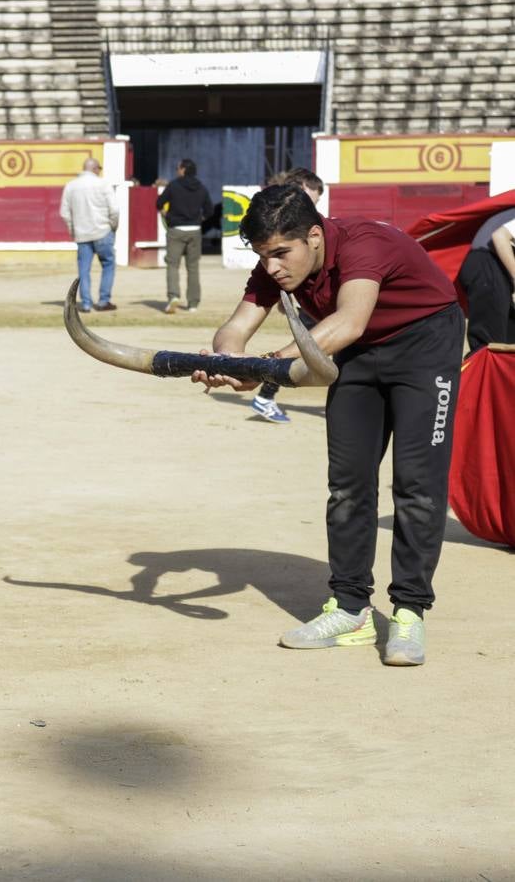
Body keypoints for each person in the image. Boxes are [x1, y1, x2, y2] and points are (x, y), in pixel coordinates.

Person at [193, 185, 462, 666]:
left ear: (314, 236)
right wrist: (226, 360)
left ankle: (409, 612)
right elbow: (236, 327)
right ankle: (351, 610)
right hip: (356, 356)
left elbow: (351, 321)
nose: (273, 267)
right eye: (262, 255)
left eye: (281, 253)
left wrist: (264, 366)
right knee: (348, 485)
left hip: (424, 346)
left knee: (417, 486)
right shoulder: (275, 265)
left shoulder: (363, 243)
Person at [250, 167, 326, 423]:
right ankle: (265, 395)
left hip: (323, 301)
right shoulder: (284, 229)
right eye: (310, 199)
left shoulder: (311, 227)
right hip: (313, 303)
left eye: (315, 203)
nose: (312, 208)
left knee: (321, 348)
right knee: (310, 347)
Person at [60, 157, 119, 312]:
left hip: (82, 234)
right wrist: (113, 227)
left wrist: (73, 230)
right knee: (108, 264)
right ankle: (103, 301)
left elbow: (64, 213)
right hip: (103, 231)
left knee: (83, 270)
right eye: (99, 168)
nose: (100, 171)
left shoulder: (71, 186)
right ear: (94, 169)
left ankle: (86, 303)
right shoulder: (103, 184)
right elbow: (114, 210)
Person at [156, 158, 212, 314]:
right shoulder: (201, 187)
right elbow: (209, 211)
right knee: (193, 267)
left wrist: (164, 212)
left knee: (173, 265)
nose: (176, 171)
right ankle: (193, 303)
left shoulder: (173, 185)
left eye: (177, 168)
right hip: (194, 230)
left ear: (182, 170)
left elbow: (159, 202)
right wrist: (199, 219)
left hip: (176, 230)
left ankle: (173, 295)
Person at [456, 212, 515, 354]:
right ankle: (479, 375)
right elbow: (499, 237)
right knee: (490, 346)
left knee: (508, 344)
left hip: (491, 271)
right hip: (487, 266)